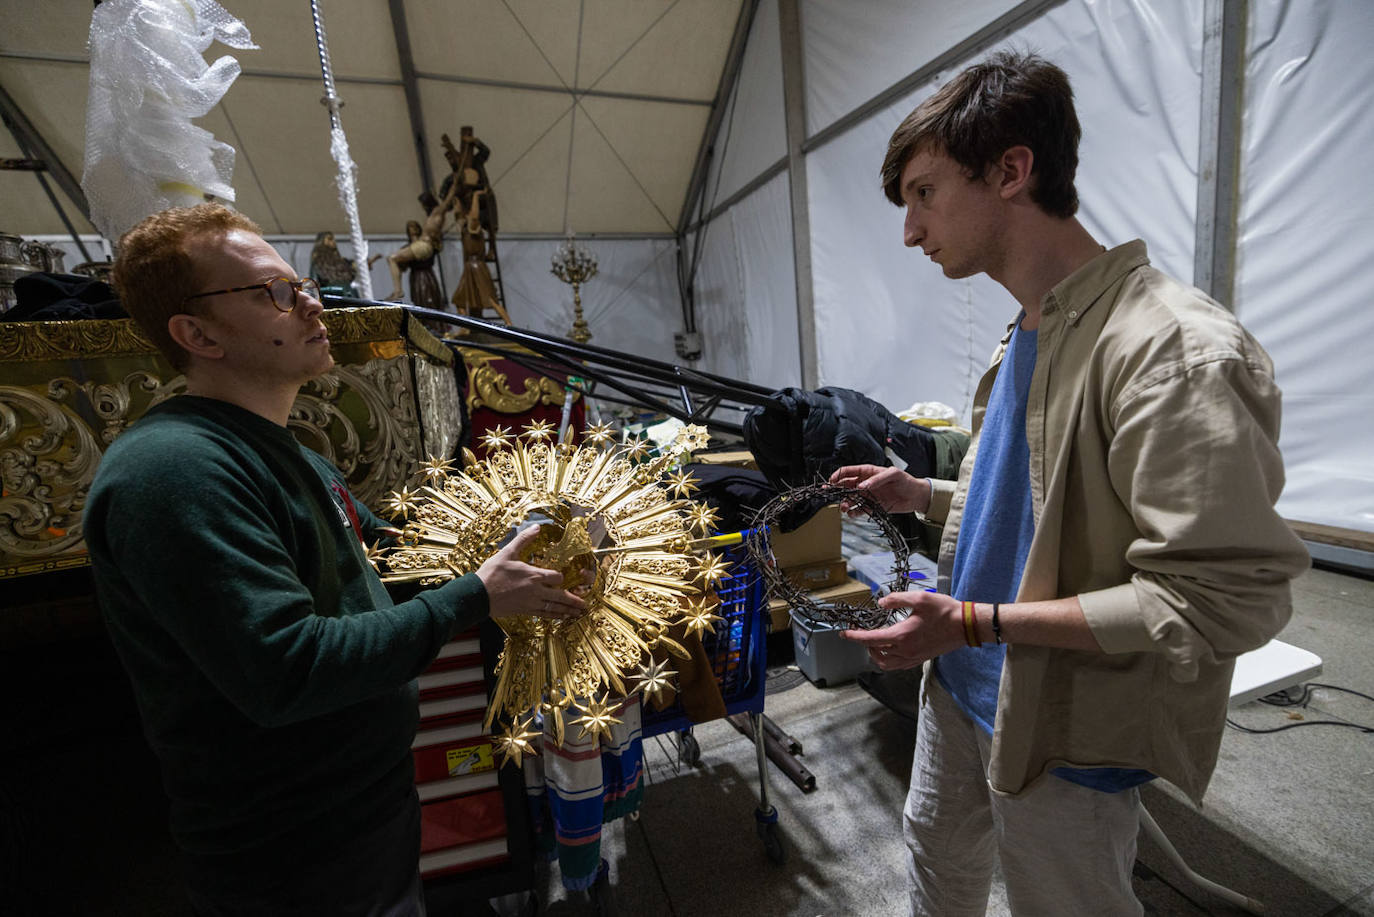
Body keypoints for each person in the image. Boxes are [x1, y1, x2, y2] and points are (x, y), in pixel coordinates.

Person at [829, 52, 1308, 916]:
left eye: (924, 194)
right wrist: (922, 497)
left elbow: (1216, 599)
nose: (909, 230)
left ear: (1012, 169)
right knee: (937, 861)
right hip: (963, 686)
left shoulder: (1172, 350)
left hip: (1064, 725)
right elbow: (1041, 506)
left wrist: (973, 620)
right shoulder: (1029, 328)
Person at [86, 203, 587, 915]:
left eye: (301, 284)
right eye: (276, 292)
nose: (313, 303)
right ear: (196, 332)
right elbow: (287, 668)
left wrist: (515, 541)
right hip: (291, 856)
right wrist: (476, 594)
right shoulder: (172, 472)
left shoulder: (286, 449)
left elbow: (390, 554)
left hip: (367, 813)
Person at [386, 181, 460, 302]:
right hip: (421, 245)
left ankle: (398, 291)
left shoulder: (438, 211)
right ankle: (397, 290)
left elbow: (448, 199)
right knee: (395, 259)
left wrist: (455, 184)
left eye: (423, 204)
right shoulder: (431, 215)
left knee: (392, 258)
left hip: (424, 246)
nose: (423, 207)